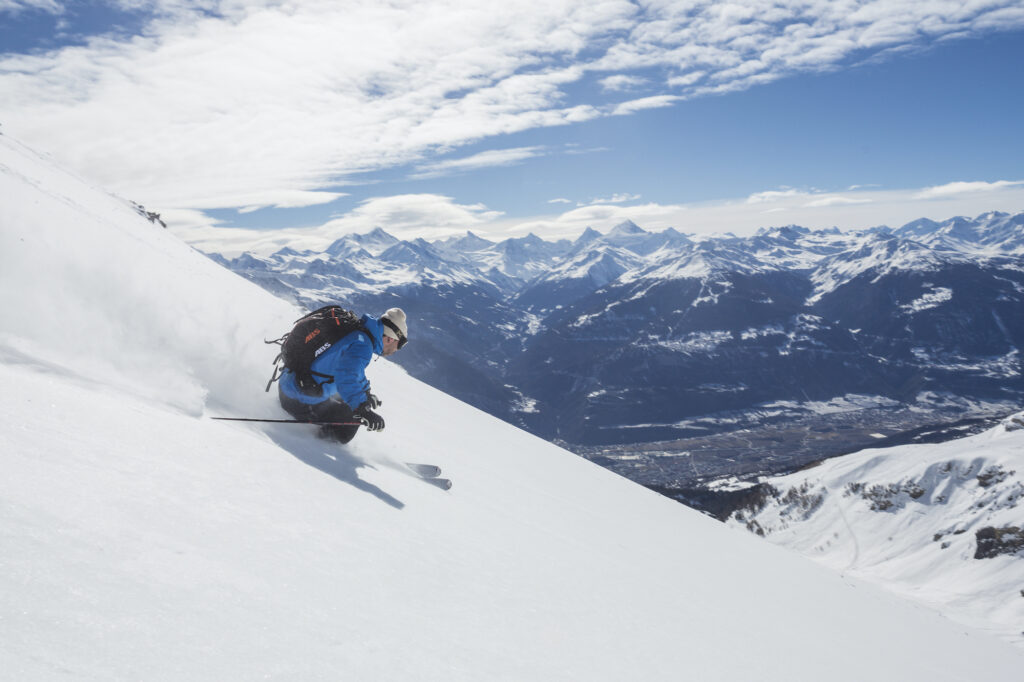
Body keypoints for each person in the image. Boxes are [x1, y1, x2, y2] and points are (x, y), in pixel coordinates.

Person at [278, 307, 408, 443]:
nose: (395, 351)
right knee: (351, 419)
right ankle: (315, 447)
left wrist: (366, 393)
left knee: (346, 400)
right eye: (400, 345)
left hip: (289, 384)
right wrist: (362, 409)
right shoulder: (363, 346)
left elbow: (352, 370)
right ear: (390, 339)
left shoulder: (358, 332)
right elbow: (346, 376)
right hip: (298, 401)